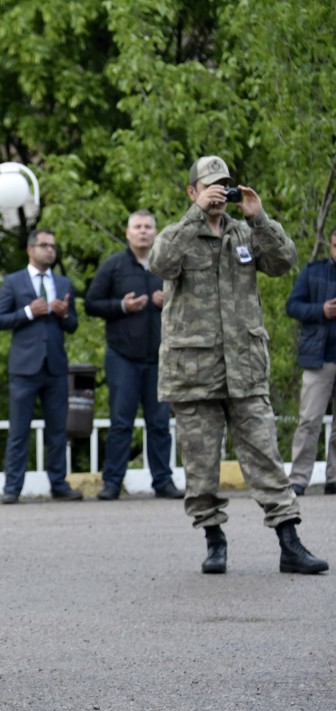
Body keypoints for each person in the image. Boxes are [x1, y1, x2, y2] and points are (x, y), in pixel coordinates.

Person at [151, 154, 326, 575]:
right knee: (201, 464)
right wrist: (195, 216)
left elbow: (284, 261)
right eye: (208, 186)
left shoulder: (245, 234)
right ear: (192, 192)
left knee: (266, 456)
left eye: (223, 185)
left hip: (244, 368)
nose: (217, 194)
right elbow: (159, 262)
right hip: (194, 372)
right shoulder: (180, 234)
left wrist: (260, 215)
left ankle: (290, 543)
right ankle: (214, 540)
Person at [84, 210, 184, 501]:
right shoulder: (113, 266)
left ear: (156, 232)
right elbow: (91, 303)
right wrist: (121, 306)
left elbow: (191, 300)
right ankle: (113, 482)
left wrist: (172, 301)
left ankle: (162, 481)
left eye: (148, 227)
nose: (142, 231)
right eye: (137, 227)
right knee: (120, 422)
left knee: (159, 423)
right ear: (128, 233)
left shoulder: (167, 265)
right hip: (122, 357)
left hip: (160, 356)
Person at [0, 229, 84, 504]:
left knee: (58, 431)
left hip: (55, 367)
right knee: (19, 430)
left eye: (53, 246)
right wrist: (29, 311)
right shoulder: (13, 281)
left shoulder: (63, 282)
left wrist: (64, 313)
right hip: (24, 369)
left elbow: (73, 325)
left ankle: (59, 484)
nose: (50, 250)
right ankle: (13, 488)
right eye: (44, 245)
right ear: (30, 250)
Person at [284, 225, 336, 497]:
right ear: (331, 246)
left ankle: (333, 478)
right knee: (309, 421)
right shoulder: (313, 271)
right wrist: (321, 310)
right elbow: (292, 306)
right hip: (319, 358)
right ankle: (299, 479)